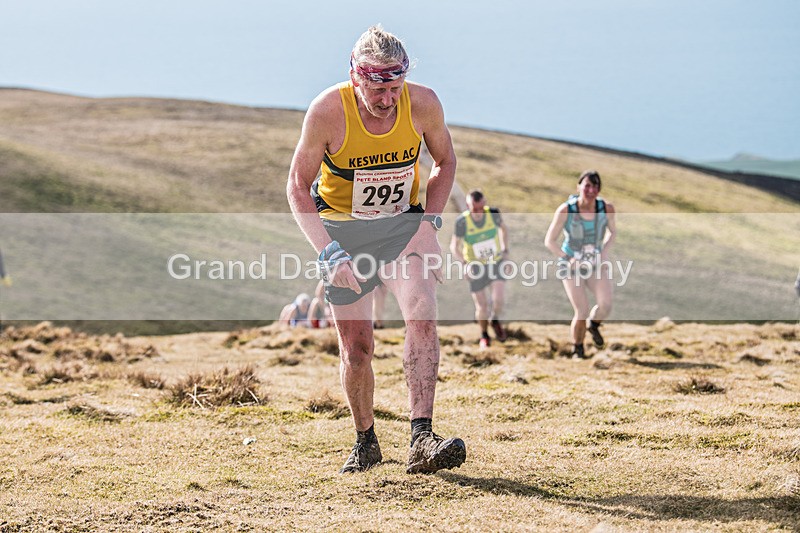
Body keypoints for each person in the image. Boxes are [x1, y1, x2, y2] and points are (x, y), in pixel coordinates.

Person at [286, 25, 465, 474]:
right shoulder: (327, 111)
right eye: (377, 88)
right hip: (343, 234)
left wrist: (428, 226)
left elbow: (445, 162)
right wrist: (328, 252)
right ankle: (366, 439)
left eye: (394, 87)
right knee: (358, 348)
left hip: (402, 228)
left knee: (422, 311)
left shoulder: (423, 104)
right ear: (355, 76)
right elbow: (296, 186)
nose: (387, 100)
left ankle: (422, 437)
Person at [544, 170, 617, 359]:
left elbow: (612, 232)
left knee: (606, 305)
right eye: (587, 185)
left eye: (595, 186)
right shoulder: (566, 210)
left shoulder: (606, 209)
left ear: (599, 189)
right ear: (579, 187)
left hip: (595, 264)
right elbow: (550, 241)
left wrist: (604, 251)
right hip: (571, 266)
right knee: (582, 310)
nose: (590, 190)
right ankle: (578, 349)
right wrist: (569, 259)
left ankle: (594, 325)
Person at [449, 190, 510, 348]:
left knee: (498, 300)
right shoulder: (462, 221)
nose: (478, 212)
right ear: (468, 206)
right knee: (481, 306)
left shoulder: (493, 213)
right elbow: (454, 246)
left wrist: (505, 250)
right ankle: (484, 334)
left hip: (495, 262)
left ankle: (494, 320)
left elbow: (504, 230)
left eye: (481, 208)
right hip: (475, 267)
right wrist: (465, 264)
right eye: (474, 209)